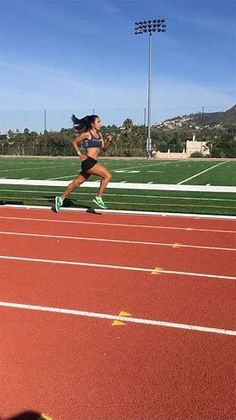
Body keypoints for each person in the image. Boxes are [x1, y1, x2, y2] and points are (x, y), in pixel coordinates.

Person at [54, 114, 112, 212]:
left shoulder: (100, 134)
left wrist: (108, 141)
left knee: (75, 183)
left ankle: (60, 199)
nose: (100, 124)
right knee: (107, 175)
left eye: (100, 122)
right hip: (88, 162)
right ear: (92, 124)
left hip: (92, 162)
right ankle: (99, 197)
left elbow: (104, 149)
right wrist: (79, 153)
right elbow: (74, 142)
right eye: (98, 122)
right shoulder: (87, 134)